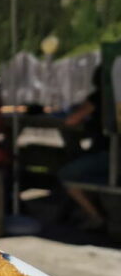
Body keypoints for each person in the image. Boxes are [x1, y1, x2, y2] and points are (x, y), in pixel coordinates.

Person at [57, 68, 110, 231]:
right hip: (107, 155)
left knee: (66, 175)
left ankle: (95, 216)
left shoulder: (99, 96)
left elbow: (70, 121)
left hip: (107, 156)